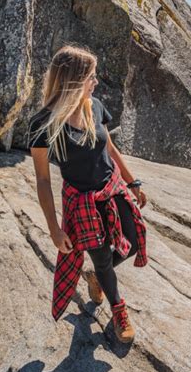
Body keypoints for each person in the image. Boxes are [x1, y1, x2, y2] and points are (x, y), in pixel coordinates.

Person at [27, 44, 148, 343]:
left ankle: (95, 278)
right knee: (104, 258)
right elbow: (42, 179)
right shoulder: (43, 124)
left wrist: (132, 182)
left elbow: (108, 145)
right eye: (91, 77)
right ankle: (118, 309)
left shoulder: (93, 105)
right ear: (73, 80)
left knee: (132, 242)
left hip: (113, 188)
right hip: (82, 202)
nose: (96, 82)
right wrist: (55, 229)